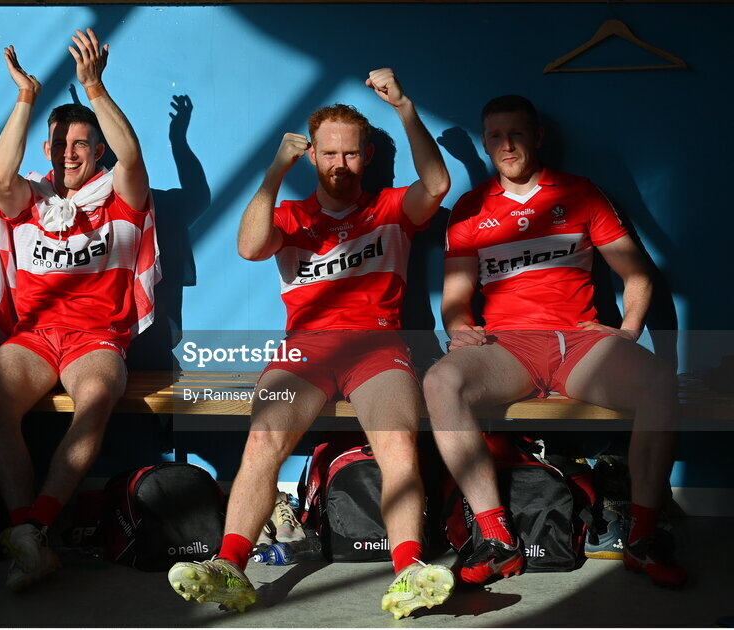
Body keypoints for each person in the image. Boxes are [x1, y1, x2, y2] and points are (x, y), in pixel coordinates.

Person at [168, 69, 453, 618]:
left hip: (378, 349)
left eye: (349, 154)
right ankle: (230, 567)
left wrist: (405, 109)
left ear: (365, 156)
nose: (339, 165)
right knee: (263, 439)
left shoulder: (390, 209)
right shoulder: (293, 217)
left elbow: (437, 186)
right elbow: (250, 246)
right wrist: (276, 170)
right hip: (305, 351)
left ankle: (409, 572)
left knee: (397, 443)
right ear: (313, 156)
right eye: (328, 154)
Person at [424, 94, 686, 588]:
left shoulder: (581, 193)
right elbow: (456, 298)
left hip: (578, 345)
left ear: (537, 137)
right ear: (485, 143)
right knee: (441, 382)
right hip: (508, 347)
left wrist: (628, 332)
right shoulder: (470, 208)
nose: (507, 145)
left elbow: (637, 274)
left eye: (517, 134)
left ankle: (643, 536)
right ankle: (496, 539)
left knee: (657, 381)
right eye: (496, 136)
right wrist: (460, 329)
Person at [0, 29, 155, 592]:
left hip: (95, 337)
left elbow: (132, 157)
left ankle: (34, 530)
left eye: (81, 144)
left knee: (97, 399)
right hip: (34, 335)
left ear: (96, 150)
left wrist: (95, 88)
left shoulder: (119, 195)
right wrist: (25, 99)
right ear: (46, 150)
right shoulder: (29, 198)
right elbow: (0, 178)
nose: (68, 154)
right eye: (59, 144)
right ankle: (25, 534)